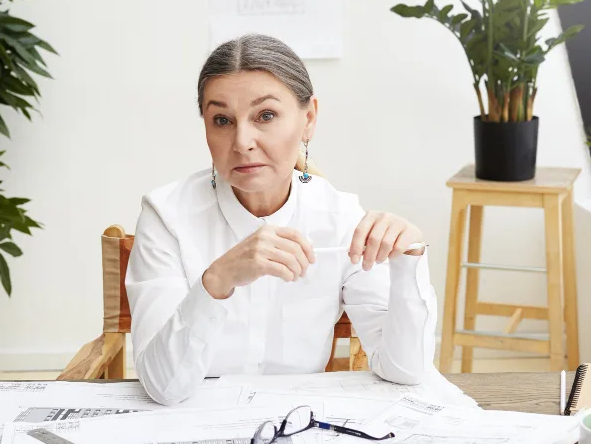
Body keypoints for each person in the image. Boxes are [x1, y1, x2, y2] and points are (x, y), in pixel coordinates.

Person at [127, 34, 436, 405]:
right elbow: (163, 387)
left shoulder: (341, 219)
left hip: (301, 429)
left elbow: (405, 369)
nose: (242, 142)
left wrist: (408, 261)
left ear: (308, 119)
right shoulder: (167, 215)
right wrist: (216, 281)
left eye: (266, 116)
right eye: (222, 119)